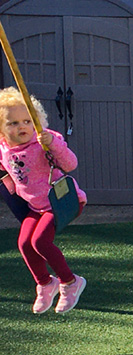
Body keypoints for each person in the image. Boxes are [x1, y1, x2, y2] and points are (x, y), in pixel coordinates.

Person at [0, 86, 87, 314]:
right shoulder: (3, 149)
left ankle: (70, 282)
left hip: (63, 201)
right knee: (24, 243)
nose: (22, 127)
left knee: (40, 242)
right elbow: (5, 170)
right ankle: (46, 284)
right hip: (36, 206)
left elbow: (71, 164)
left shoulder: (44, 142)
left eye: (28, 121)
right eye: (13, 123)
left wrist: (53, 144)